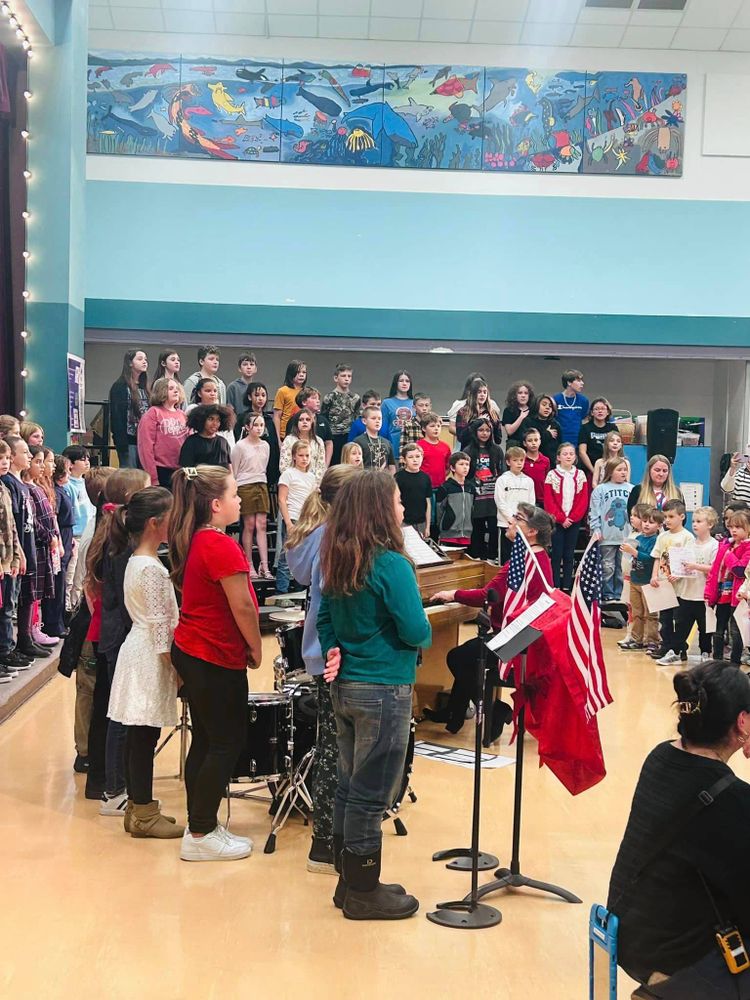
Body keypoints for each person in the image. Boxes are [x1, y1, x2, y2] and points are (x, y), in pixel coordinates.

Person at [317, 470, 431, 920]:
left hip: (346, 687)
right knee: (371, 794)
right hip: (384, 688)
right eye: (399, 500)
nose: (403, 508)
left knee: (350, 786)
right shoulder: (391, 563)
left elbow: (325, 619)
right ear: (381, 509)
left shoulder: (340, 555)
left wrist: (334, 648)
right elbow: (416, 629)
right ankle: (364, 891)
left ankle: (350, 882)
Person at [608, 661, 750, 998]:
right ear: (742, 722)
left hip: (629, 934)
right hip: (676, 957)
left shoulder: (659, 757)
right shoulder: (731, 799)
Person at [169, 465, 262, 862]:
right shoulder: (220, 545)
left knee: (207, 739)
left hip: (196, 650)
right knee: (225, 742)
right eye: (235, 494)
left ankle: (200, 822)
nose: (240, 500)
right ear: (216, 504)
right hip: (212, 654)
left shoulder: (200, 540)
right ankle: (201, 831)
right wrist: (256, 648)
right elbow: (241, 604)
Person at [285, 465, 360, 874]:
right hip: (333, 653)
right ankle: (325, 845)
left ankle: (330, 840)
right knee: (335, 750)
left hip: (320, 651)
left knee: (334, 743)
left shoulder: (317, 533)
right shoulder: (334, 539)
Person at [428, 503, 554, 736]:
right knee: (469, 654)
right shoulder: (539, 557)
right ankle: (454, 714)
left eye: (517, 518)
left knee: (458, 657)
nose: (510, 520)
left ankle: (495, 709)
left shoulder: (523, 560)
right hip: (525, 635)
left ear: (532, 531)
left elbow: (489, 596)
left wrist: (453, 594)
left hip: (517, 638)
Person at [106, 487, 183, 840]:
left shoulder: (141, 560)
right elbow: (159, 626)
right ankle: (142, 812)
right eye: (170, 516)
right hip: (148, 655)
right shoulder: (149, 567)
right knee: (142, 735)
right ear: (155, 523)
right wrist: (177, 670)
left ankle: (140, 808)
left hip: (141, 650)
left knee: (141, 735)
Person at [85, 467, 151, 809]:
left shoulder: (114, 534)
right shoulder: (122, 543)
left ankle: (115, 785)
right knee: (120, 716)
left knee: (116, 713)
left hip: (113, 633)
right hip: (119, 635)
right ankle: (114, 789)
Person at [659, 506, 719, 666]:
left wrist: (696, 566)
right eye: (693, 521)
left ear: (710, 524)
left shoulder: (714, 545)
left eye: (699, 521)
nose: (695, 524)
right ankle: (676, 651)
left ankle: (705, 652)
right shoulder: (690, 542)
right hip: (686, 593)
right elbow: (682, 565)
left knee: (705, 628)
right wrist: (674, 575)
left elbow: (715, 568)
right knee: (681, 625)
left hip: (703, 596)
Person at [649, 500, 696, 663]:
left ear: (682, 516)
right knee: (665, 619)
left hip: (680, 587)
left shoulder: (687, 537)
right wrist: (654, 575)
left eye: (671, 516)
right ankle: (666, 646)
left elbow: (689, 561)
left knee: (679, 620)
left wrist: (679, 574)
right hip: (663, 585)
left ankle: (679, 648)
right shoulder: (662, 537)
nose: (667, 520)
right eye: (665, 516)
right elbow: (657, 557)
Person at [705, 510, 750, 665]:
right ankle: (716, 661)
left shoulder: (747, 547)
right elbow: (715, 570)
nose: (734, 530)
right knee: (718, 630)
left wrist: (728, 554)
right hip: (722, 593)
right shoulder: (726, 545)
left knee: (736, 632)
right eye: (731, 527)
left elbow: (740, 570)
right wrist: (709, 593)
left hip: (738, 597)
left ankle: (734, 664)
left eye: (738, 527)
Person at [231, 413, 272, 580]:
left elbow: (264, 466)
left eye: (261, 425)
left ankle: (265, 565)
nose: (259, 428)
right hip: (244, 484)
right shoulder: (240, 446)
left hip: (261, 483)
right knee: (249, 524)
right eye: (256, 425)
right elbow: (234, 469)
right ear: (247, 427)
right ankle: (249, 563)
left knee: (261, 524)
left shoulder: (266, 446)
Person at [544, 442, 590, 592]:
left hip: (574, 522)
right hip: (557, 522)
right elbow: (549, 501)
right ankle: (555, 585)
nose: (568, 456)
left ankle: (567, 586)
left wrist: (573, 518)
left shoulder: (580, 475)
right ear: (558, 457)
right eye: (565, 454)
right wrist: (561, 518)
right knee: (556, 554)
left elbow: (583, 500)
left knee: (569, 554)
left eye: (571, 453)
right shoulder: (552, 475)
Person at [620, 508, 665, 654]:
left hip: (647, 581)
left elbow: (651, 559)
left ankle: (652, 641)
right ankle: (636, 639)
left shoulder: (656, 540)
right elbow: (632, 558)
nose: (646, 525)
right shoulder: (638, 538)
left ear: (659, 525)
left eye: (651, 523)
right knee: (637, 612)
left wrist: (635, 552)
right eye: (645, 521)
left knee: (651, 614)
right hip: (635, 579)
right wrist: (628, 552)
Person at [589, 458, 634, 602]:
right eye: (619, 470)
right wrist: (596, 528)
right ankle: (607, 594)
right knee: (608, 567)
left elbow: (636, 513)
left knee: (623, 567)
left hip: (626, 536)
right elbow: (594, 511)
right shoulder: (600, 489)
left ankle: (620, 594)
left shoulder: (632, 489)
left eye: (625, 470)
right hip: (606, 536)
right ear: (610, 471)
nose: (623, 473)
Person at [276, 442, 317, 595]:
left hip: (307, 520)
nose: (304, 459)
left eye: (307, 455)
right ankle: (282, 591)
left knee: (304, 556)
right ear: (294, 457)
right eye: (301, 455)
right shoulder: (288, 474)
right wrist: (287, 522)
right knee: (286, 556)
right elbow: (282, 499)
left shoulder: (312, 477)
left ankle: (300, 592)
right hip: (292, 517)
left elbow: (312, 500)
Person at [136, 377, 188, 488]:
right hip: (161, 470)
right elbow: (145, 447)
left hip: (180, 470)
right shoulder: (153, 413)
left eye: (177, 388)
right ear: (162, 391)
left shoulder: (182, 415)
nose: (175, 391)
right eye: (171, 388)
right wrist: (153, 477)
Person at [464, 417, 504, 561]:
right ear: (475, 432)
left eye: (487, 430)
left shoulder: (497, 450)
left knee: (494, 531)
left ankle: (492, 559)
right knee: (477, 532)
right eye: (481, 430)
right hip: (476, 499)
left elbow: (502, 473)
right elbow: (465, 476)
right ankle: (477, 560)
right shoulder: (468, 451)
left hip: (493, 500)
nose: (484, 433)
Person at [0, 440, 23, 679]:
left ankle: (5, 652)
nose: (5, 462)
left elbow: (11, 527)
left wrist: (16, 556)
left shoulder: (4, 488)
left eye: (7, 457)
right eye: (0, 459)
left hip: (8, 559)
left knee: (7, 606)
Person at [109, 350, 150, 468]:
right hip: (128, 441)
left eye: (145, 359)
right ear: (130, 363)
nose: (144, 362)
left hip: (145, 441)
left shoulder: (146, 386)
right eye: (140, 359)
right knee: (131, 478)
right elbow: (116, 417)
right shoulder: (120, 386)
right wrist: (121, 443)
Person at [495, 446, 536, 563]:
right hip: (506, 525)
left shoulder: (529, 481)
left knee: (521, 558)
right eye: (515, 460)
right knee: (506, 557)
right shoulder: (502, 480)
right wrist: (511, 519)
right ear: (508, 462)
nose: (519, 463)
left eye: (521, 460)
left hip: (523, 526)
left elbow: (530, 503)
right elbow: (500, 501)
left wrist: (522, 520)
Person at [237, 382, 280, 487]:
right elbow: (238, 440)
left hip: (266, 470)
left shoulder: (269, 420)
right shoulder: (242, 418)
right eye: (257, 395)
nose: (260, 398)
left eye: (263, 395)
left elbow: (273, 445)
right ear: (249, 397)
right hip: (247, 470)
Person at [322, 363, 360, 465]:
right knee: (334, 464)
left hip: (349, 435)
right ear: (336, 378)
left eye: (349, 376)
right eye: (343, 376)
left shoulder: (355, 398)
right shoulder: (329, 397)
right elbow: (324, 418)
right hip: (333, 436)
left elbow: (356, 418)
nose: (346, 379)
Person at [436, 452, 474, 547]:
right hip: (449, 533)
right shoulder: (445, 487)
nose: (465, 467)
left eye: (467, 464)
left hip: (466, 534)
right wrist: (443, 527)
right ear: (452, 468)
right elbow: (439, 511)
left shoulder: (471, 488)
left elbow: (472, 509)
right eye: (461, 464)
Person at [279, 408, 326, 484]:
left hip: (312, 484)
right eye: (301, 420)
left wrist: (315, 484)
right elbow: (284, 465)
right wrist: (293, 482)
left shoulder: (319, 442)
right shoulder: (289, 440)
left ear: (312, 423)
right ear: (296, 423)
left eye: (308, 419)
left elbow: (321, 466)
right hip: (293, 483)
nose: (304, 422)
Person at [187, 379, 236, 450]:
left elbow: (229, 437)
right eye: (208, 391)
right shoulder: (192, 409)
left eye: (215, 391)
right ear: (199, 393)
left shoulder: (224, 412)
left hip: (221, 451)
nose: (212, 394)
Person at [395, 444, 432, 536]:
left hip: (421, 522)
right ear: (404, 459)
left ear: (422, 457)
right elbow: (394, 502)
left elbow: (428, 503)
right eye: (410, 457)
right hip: (403, 522)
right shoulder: (398, 477)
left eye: (418, 456)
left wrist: (427, 526)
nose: (415, 460)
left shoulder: (426, 478)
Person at [455, 378, 502, 448]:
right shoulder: (463, 412)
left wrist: (490, 424)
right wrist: (476, 422)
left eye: (485, 392)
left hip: (488, 451)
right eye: (479, 392)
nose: (482, 395)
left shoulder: (493, 413)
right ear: (472, 394)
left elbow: (498, 440)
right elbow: (461, 437)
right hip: (469, 451)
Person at [577, 398, 617, 480]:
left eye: (603, 409)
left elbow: (618, 449)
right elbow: (582, 452)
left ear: (608, 412)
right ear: (592, 412)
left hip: (610, 469)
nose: (600, 411)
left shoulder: (613, 428)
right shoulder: (585, 428)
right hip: (590, 469)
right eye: (596, 409)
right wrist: (594, 471)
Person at [296, 387, 333, 468]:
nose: (318, 401)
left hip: (318, 466)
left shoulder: (323, 420)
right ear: (304, 402)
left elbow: (329, 443)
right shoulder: (294, 420)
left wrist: (325, 465)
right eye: (314, 398)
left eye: (318, 398)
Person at [381, 371, 415, 458]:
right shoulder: (386, 403)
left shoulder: (415, 402)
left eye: (407, 381)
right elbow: (383, 428)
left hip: (412, 448)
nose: (404, 383)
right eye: (401, 381)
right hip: (393, 446)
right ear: (395, 383)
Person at [353, 407, 396, 473]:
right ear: (364, 421)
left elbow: (392, 466)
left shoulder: (387, 443)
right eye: (373, 418)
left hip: (384, 480)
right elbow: (354, 466)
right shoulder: (358, 441)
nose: (377, 421)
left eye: (380, 419)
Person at [523, 393, 562, 467]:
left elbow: (559, 445)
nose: (547, 408)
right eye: (544, 405)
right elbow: (526, 442)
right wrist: (547, 434)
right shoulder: (528, 422)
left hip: (552, 463)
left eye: (550, 406)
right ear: (537, 405)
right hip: (531, 462)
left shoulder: (555, 424)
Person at [552, 369, 589, 447]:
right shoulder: (555, 399)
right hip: (559, 441)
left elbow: (584, 419)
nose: (582, 383)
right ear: (569, 382)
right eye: (578, 380)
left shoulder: (584, 400)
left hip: (578, 441)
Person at [273, 360, 307, 440]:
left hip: (303, 434)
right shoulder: (282, 391)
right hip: (285, 434)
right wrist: (278, 439)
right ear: (291, 373)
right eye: (298, 372)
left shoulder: (307, 392)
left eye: (304, 372)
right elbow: (277, 416)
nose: (301, 375)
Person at [416, 413, 451, 489]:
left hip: (441, 486)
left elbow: (448, 467)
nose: (436, 428)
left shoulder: (445, 447)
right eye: (432, 426)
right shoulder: (418, 446)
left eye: (438, 426)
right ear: (424, 428)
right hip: (422, 485)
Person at [399, 392, 433, 465]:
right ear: (414, 408)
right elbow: (403, 447)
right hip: (413, 464)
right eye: (421, 405)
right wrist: (402, 466)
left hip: (429, 464)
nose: (424, 408)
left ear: (430, 407)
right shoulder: (408, 424)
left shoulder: (433, 425)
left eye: (426, 405)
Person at [521, 426, 550, 507]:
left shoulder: (546, 460)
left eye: (536, 440)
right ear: (524, 443)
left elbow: (546, 480)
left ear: (540, 441)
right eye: (530, 441)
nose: (533, 443)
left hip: (541, 499)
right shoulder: (521, 460)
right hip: (525, 499)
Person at [502, 381, 535, 448]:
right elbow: (509, 431)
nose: (523, 395)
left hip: (530, 446)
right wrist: (521, 417)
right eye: (520, 393)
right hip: (514, 446)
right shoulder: (509, 410)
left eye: (526, 393)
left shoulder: (533, 411)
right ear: (515, 395)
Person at [226, 353, 258, 417]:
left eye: (251, 364)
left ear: (255, 369)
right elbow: (229, 410)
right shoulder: (233, 387)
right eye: (245, 364)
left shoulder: (257, 388)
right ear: (239, 368)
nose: (249, 367)